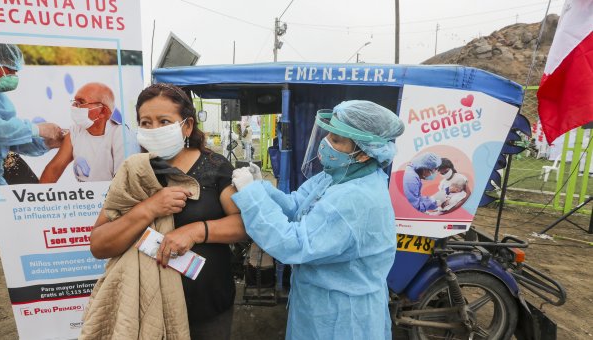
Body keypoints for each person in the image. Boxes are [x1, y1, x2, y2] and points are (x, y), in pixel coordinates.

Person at [230, 100, 405, 340]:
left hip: (341, 317)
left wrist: (251, 196)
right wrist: (261, 186)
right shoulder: (338, 176)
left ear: (364, 153)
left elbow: (293, 244)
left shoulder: (355, 199)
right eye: (328, 136)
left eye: (336, 140)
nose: (325, 144)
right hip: (318, 303)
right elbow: (296, 205)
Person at [88, 83, 246, 339]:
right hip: (146, 312)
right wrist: (149, 208)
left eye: (164, 121)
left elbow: (244, 225)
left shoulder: (216, 166)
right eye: (146, 122)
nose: (154, 130)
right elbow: (99, 244)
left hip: (207, 310)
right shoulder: (134, 172)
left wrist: (196, 231)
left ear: (187, 126)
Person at [0, 42, 63, 185]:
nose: (13, 77)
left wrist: (45, 142)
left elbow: (9, 138)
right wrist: (38, 129)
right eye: (10, 69)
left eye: (16, 72)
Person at [39, 82, 138, 183]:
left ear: (103, 112)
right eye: (75, 101)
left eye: (81, 102)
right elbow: (54, 169)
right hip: (87, 197)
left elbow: (124, 184)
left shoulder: (121, 136)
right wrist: (39, 196)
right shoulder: (75, 132)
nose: (75, 106)